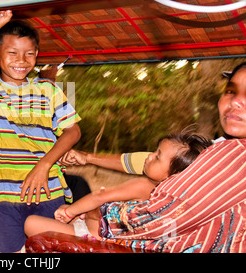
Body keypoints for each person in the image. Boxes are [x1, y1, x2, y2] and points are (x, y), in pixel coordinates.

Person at [64, 62, 246, 253]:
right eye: (231, 91)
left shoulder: (235, 154)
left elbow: (163, 215)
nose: (235, 101)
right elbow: (149, 161)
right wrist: (88, 158)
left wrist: (97, 213)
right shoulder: (219, 146)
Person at [0, 10, 82, 253]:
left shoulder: (49, 89)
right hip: (4, 196)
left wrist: (43, 166)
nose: (21, 60)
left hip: (48, 190)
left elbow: (73, 131)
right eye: (12, 52)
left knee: (49, 254)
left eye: (29, 54)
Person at [24, 131, 212, 239]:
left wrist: (69, 212)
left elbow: (100, 197)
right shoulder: (168, 196)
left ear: (175, 174)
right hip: (98, 230)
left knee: (31, 223)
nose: (149, 156)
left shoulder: (144, 185)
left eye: (157, 156)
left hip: (90, 236)